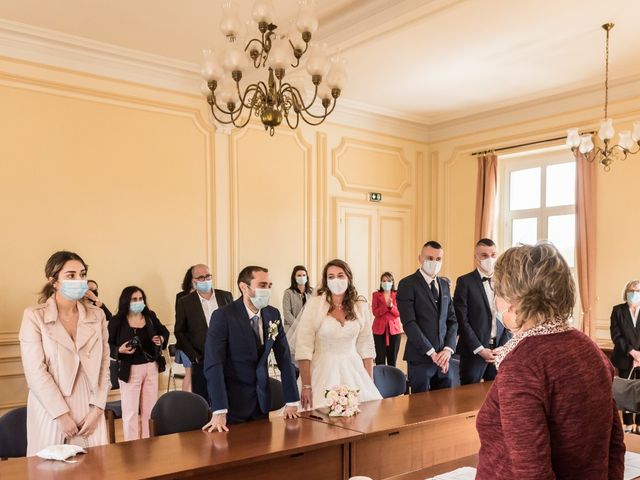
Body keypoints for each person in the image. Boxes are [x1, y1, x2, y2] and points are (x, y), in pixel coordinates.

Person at [475, 243, 625, 479]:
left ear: (514, 299)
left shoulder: (522, 364)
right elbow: (615, 443)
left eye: (499, 292)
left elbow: (532, 473)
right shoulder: (589, 348)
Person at [19, 251, 110, 455]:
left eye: (82, 274)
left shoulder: (97, 316)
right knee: (50, 469)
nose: (79, 280)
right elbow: (35, 372)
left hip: (91, 405)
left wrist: (98, 408)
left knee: (95, 468)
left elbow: (105, 363)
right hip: (51, 407)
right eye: (71, 275)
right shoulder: (34, 316)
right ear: (54, 281)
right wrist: (61, 415)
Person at [202, 266, 300, 432]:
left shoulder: (273, 315)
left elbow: (284, 358)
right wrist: (219, 409)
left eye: (269, 286)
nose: (267, 290)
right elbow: (214, 364)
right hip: (232, 404)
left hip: (261, 402)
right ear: (243, 287)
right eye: (262, 285)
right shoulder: (223, 316)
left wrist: (291, 401)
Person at [294, 259, 382, 410]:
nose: (336, 280)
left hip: (354, 370)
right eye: (331, 277)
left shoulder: (360, 306)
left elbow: (366, 345)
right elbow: (304, 348)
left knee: (363, 414)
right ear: (326, 281)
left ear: (348, 278)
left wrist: (369, 381)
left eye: (340, 276)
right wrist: (306, 385)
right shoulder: (315, 305)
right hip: (322, 370)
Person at [108, 286, 169, 441]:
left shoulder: (150, 316)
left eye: (140, 299)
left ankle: (149, 443)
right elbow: (107, 344)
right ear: (126, 301)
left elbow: (164, 332)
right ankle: (131, 445)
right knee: (130, 413)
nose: (138, 302)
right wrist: (119, 350)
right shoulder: (117, 321)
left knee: (149, 410)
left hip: (151, 367)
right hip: (130, 370)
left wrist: (160, 339)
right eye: (134, 299)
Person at [397, 241, 458, 392]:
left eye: (438, 259)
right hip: (420, 359)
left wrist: (448, 350)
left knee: (444, 407)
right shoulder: (407, 284)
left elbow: (452, 321)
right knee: (419, 409)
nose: (434, 262)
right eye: (430, 258)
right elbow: (409, 323)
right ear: (420, 258)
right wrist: (431, 352)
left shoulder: (444, 285)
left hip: (444, 360)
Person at [454, 238, 511, 385]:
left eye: (493, 255)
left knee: (497, 395)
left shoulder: (504, 282)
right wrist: (479, 349)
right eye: (484, 255)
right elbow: (462, 320)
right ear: (476, 257)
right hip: (473, 351)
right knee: (468, 398)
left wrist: (503, 347)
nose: (489, 259)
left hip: (498, 350)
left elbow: (509, 315)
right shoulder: (464, 282)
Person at [175, 264, 233, 403]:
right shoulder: (185, 302)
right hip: (201, 359)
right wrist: (194, 356)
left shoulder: (225, 296)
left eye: (207, 276)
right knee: (204, 400)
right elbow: (179, 332)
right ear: (194, 281)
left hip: (227, 357)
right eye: (201, 277)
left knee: (229, 397)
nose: (205, 279)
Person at [610, 279, 640, 432]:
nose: (635, 293)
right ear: (626, 292)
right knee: (626, 391)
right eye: (631, 290)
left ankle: (639, 425)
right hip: (624, 357)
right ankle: (628, 424)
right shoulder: (618, 310)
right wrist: (633, 353)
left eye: (638, 291)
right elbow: (616, 336)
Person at [371, 272, 402, 366]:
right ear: (381, 283)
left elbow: (399, 313)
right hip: (379, 330)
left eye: (388, 281)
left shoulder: (397, 295)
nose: (386, 283)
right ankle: (379, 380)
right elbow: (375, 312)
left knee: (392, 360)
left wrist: (392, 306)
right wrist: (386, 307)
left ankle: (392, 380)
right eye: (384, 281)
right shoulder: (376, 295)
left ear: (392, 282)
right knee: (379, 359)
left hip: (394, 331)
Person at [173, 266, 195, 392]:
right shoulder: (181, 296)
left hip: (203, 342)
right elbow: (180, 319)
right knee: (190, 373)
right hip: (186, 341)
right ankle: (187, 401)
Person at [282, 265, 313, 331]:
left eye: (304, 275)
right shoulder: (288, 293)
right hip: (292, 329)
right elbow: (286, 313)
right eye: (299, 275)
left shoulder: (312, 292)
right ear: (294, 277)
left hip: (308, 328)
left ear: (307, 277)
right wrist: (298, 327)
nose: (302, 277)